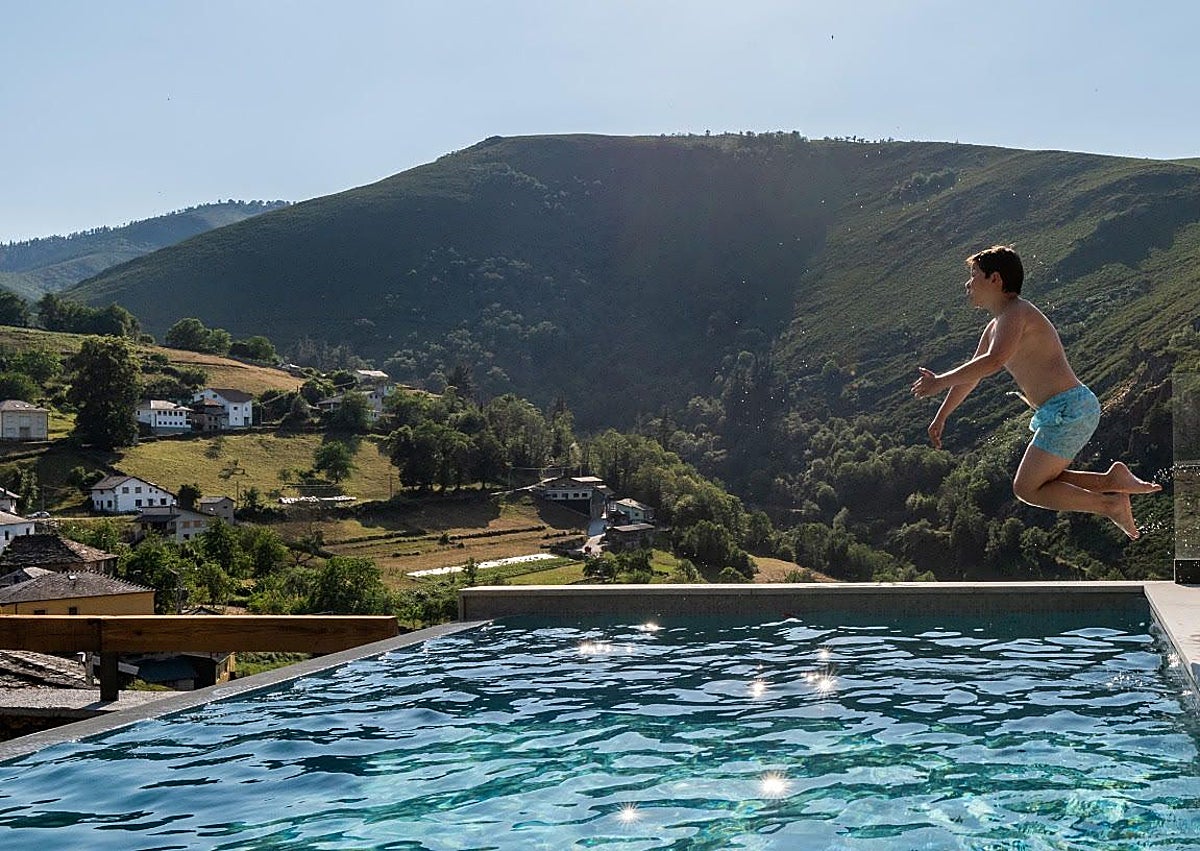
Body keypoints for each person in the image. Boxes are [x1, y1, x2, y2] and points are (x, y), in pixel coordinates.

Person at [911, 245, 1160, 539]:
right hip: (1068, 410)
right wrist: (942, 416)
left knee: (1026, 488)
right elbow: (972, 375)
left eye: (973, 275)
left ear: (995, 280)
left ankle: (1110, 504)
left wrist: (939, 381)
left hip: (1070, 410)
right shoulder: (994, 327)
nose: (968, 283)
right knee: (1045, 480)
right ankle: (1111, 480)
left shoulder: (1017, 313)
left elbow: (994, 361)